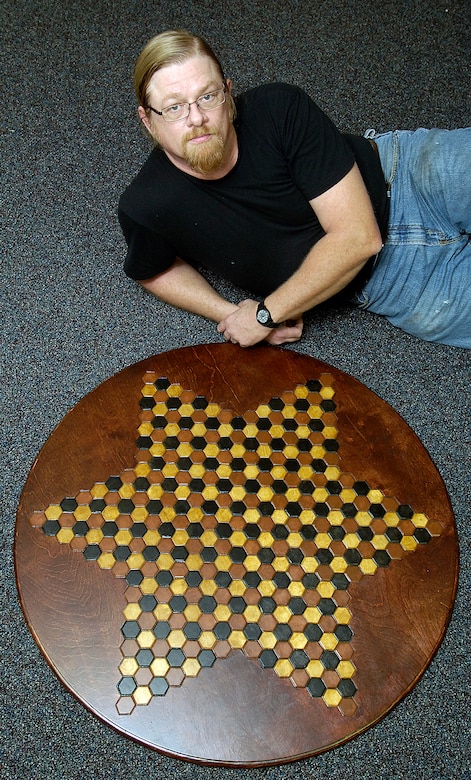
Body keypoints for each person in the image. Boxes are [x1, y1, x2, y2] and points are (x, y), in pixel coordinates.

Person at [119, 30, 471, 349]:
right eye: (175, 107)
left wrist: (265, 315)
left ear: (228, 93)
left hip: (408, 172)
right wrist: (228, 312)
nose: (196, 118)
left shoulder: (279, 107)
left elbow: (359, 237)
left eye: (207, 96)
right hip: (391, 282)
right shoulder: (147, 203)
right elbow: (153, 270)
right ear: (148, 119)